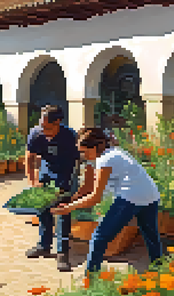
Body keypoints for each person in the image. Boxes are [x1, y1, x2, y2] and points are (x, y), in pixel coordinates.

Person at [51, 127, 163, 275]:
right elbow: (89, 187)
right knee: (151, 235)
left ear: (96, 147)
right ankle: (160, 272)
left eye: (85, 151)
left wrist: (68, 208)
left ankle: (90, 279)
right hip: (151, 195)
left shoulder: (105, 160)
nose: (82, 155)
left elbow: (95, 198)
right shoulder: (114, 153)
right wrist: (71, 200)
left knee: (99, 237)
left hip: (131, 197)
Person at [24, 105, 80, 272]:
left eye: (48, 128)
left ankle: (62, 253)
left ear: (58, 122)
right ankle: (44, 245)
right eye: (42, 126)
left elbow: (79, 161)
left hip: (65, 174)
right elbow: (29, 157)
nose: (44, 131)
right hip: (46, 173)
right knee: (43, 209)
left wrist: (72, 185)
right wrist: (33, 181)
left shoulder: (69, 136)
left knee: (62, 211)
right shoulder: (36, 133)